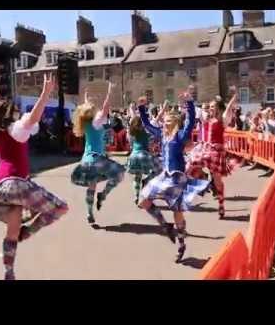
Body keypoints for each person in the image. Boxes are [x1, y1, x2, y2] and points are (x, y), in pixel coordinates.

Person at [0, 76, 69, 280]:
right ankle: (28, 231)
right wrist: (45, 93)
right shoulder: (15, 130)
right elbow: (33, 119)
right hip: (17, 184)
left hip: (1, 185)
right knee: (61, 208)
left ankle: (8, 272)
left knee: (12, 232)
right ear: (8, 116)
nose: (18, 112)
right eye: (15, 111)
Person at [137, 88, 208, 262]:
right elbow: (147, 125)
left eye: (168, 121)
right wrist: (141, 109)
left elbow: (191, 120)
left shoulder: (181, 136)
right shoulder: (162, 135)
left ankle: (181, 244)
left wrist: (190, 102)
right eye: (164, 121)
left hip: (177, 178)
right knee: (143, 201)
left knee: (177, 212)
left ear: (175, 122)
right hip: (165, 176)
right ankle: (165, 225)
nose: (165, 123)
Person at [71, 83, 125, 224]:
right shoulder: (97, 121)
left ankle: (89, 213)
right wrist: (109, 92)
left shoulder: (88, 123)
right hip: (96, 159)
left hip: (86, 160)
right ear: (92, 112)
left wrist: (86, 98)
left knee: (91, 186)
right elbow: (105, 108)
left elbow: (105, 124)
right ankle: (104, 194)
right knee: (119, 173)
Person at [188, 89, 237, 219]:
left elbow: (229, 108)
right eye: (210, 107)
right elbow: (193, 112)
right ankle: (205, 180)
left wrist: (233, 97)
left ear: (218, 108)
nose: (210, 109)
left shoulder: (222, 119)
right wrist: (189, 100)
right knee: (190, 166)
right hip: (205, 149)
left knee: (218, 181)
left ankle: (221, 205)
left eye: (213, 106)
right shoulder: (206, 119)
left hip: (215, 151)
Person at [126, 115, 162, 205]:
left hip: (134, 156)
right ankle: (146, 180)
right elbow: (150, 145)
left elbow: (130, 145)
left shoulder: (131, 133)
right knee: (158, 170)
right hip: (144, 154)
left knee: (137, 177)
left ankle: (136, 196)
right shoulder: (146, 133)